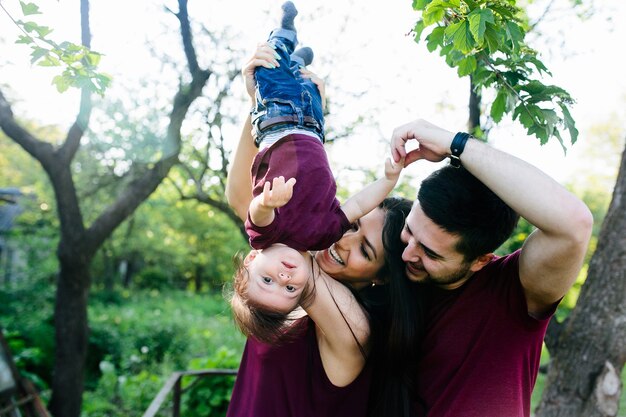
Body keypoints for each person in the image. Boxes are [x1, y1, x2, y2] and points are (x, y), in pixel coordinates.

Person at [224, 8, 420, 417]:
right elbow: (245, 197)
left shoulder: (355, 333)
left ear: (383, 278)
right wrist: (258, 107)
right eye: (351, 226)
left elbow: (268, 228)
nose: (342, 239)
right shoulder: (298, 266)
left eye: (365, 250)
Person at [390, 119, 594, 417]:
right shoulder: (393, 270)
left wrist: (455, 144)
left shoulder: (512, 291)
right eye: (410, 231)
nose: (408, 253)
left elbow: (574, 224)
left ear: (479, 261)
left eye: (431, 253)